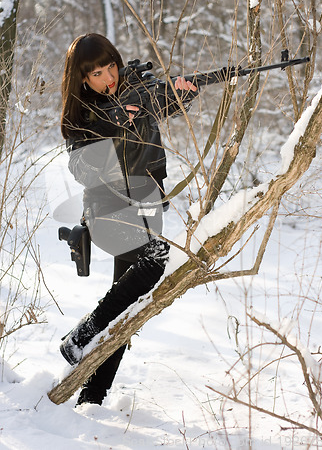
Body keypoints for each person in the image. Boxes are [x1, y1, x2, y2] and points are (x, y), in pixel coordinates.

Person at [60, 33, 197, 406]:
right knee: (156, 257)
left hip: (148, 205)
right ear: (82, 80)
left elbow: (165, 103)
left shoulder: (138, 92)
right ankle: (84, 334)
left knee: (127, 306)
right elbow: (82, 169)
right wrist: (112, 127)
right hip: (107, 211)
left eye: (111, 67)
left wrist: (184, 94)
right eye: (96, 74)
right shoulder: (83, 115)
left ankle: (92, 395)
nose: (109, 77)